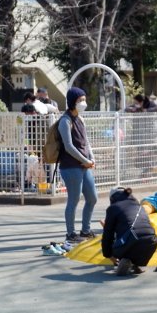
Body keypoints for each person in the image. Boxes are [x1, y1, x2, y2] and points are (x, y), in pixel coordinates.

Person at [58, 87, 98, 243]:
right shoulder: (65, 120)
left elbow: (86, 142)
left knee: (92, 198)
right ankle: (70, 233)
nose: (83, 103)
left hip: (84, 165)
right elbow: (68, 146)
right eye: (80, 100)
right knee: (74, 200)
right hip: (70, 166)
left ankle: (85, 230)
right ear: (72, 101)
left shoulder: (80, 119)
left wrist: (91, 158)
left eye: (84, 99)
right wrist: (85, 160)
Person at [102, 187, 157, 276]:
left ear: (112, 198)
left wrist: (108, 254)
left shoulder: (113, 208)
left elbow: (108, 234)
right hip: (151, 241)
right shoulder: (139, 207)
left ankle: (125, 258)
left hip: (131, 241)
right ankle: (137, 264)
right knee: (138, 237)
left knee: (123, 237)